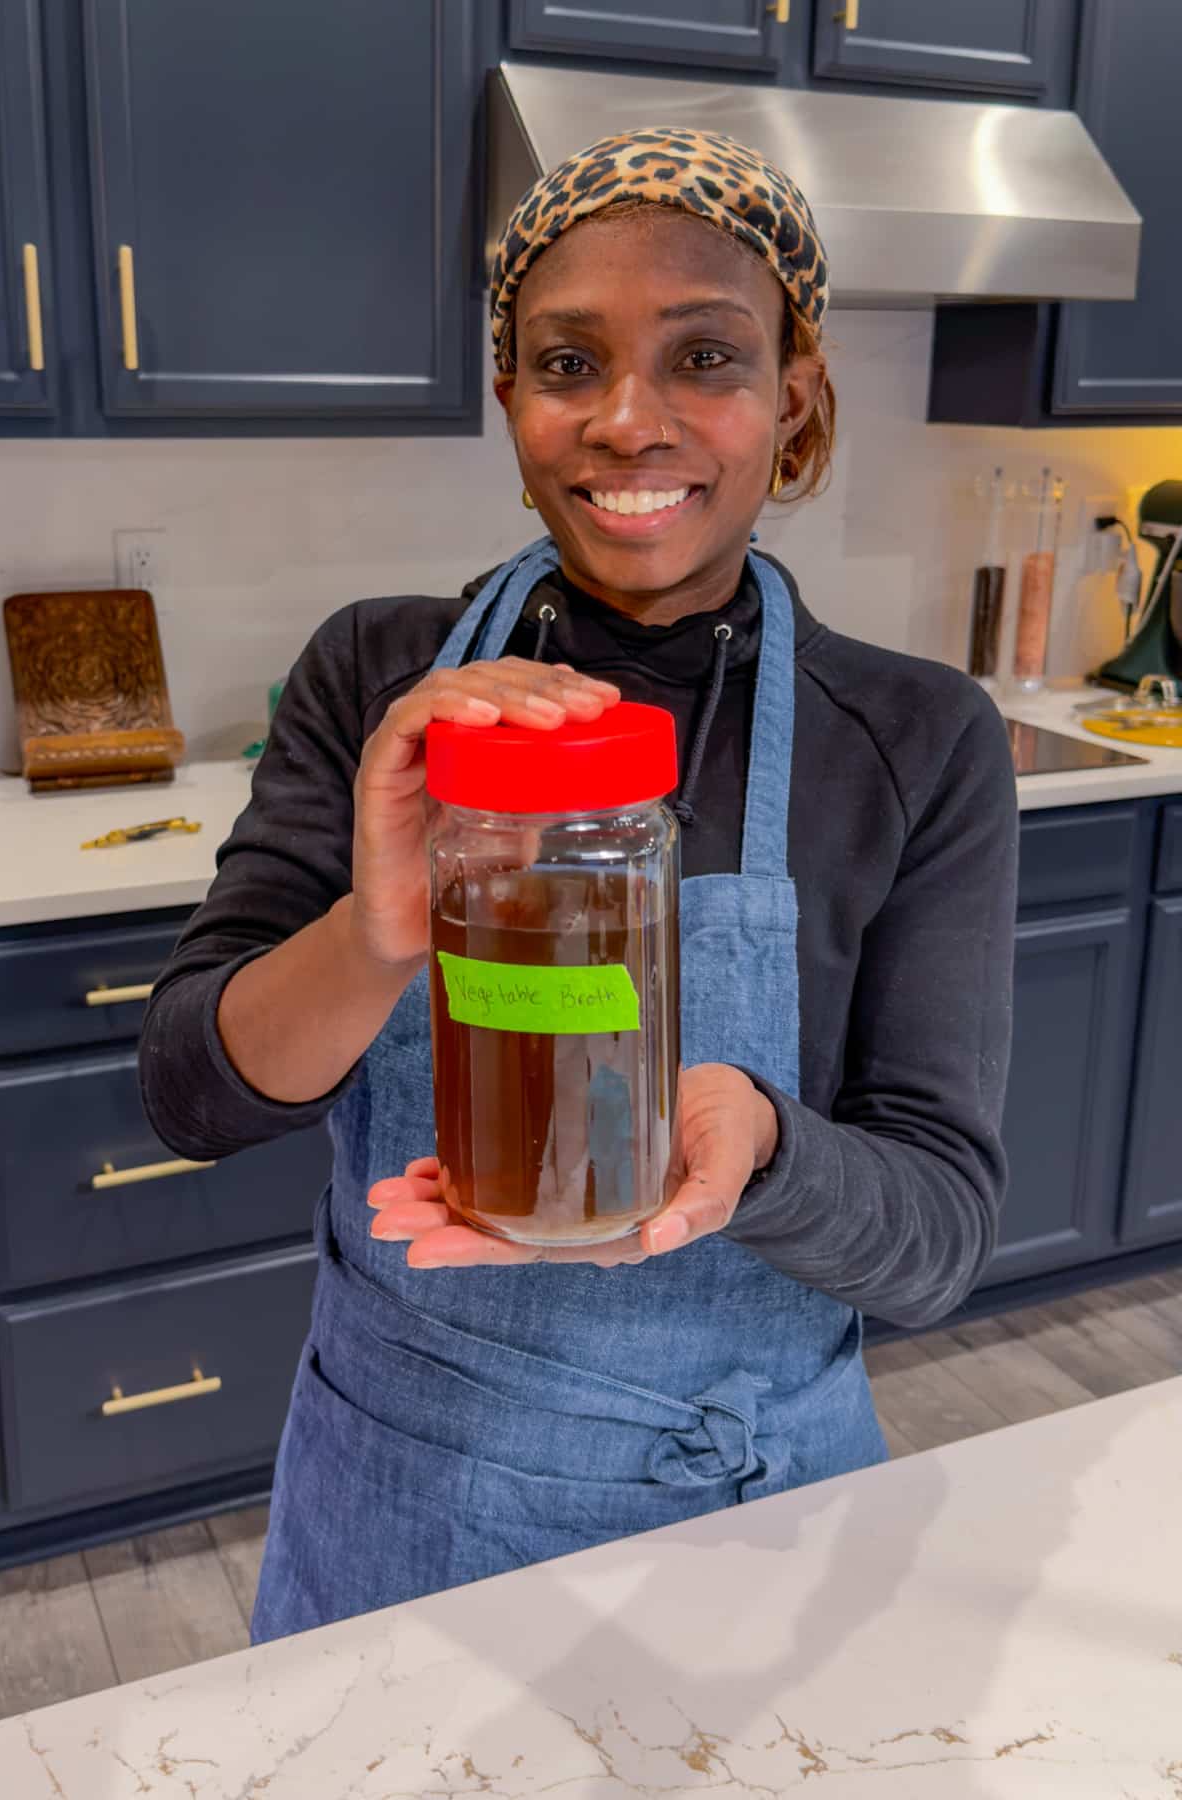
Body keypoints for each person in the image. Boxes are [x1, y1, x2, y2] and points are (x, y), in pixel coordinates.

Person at [140, 128, 1018, 1643]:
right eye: (567, 363)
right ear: (512, 400)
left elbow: (936, 1239)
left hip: (748, 1521)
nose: (629, 420)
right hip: (400, 1500)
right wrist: (380, 927)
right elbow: (193, 1095)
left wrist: (754, 1146)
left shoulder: (919, 741)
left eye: (706, 357)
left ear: (793, 398)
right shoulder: (381, 679)